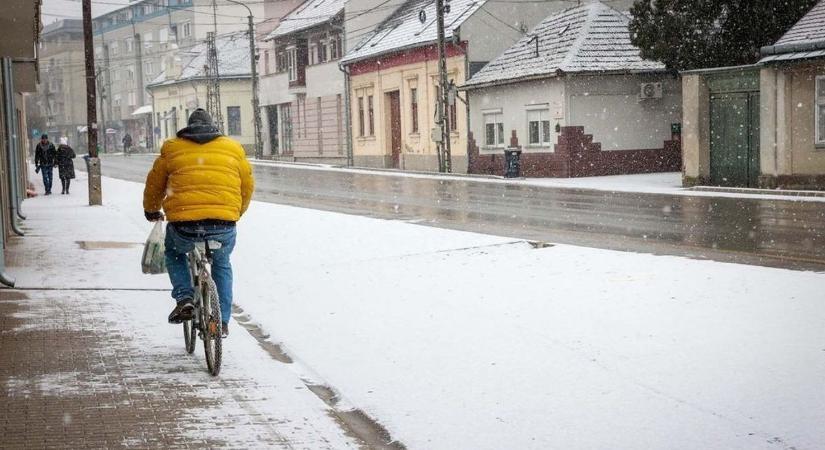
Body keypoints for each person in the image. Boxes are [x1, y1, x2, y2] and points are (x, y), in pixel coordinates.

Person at [143, 109, 254, 338]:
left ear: (188, 127)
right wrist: (236, 212)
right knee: (222, 263)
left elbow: (155, 183)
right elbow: (247, 186)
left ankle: (185, 298)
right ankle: (221, 322)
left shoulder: (172, 148)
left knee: (173, 253)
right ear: (213, 127)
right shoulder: (233, 148)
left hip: (184, 224)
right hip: (223, 224)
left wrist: (151, 209)